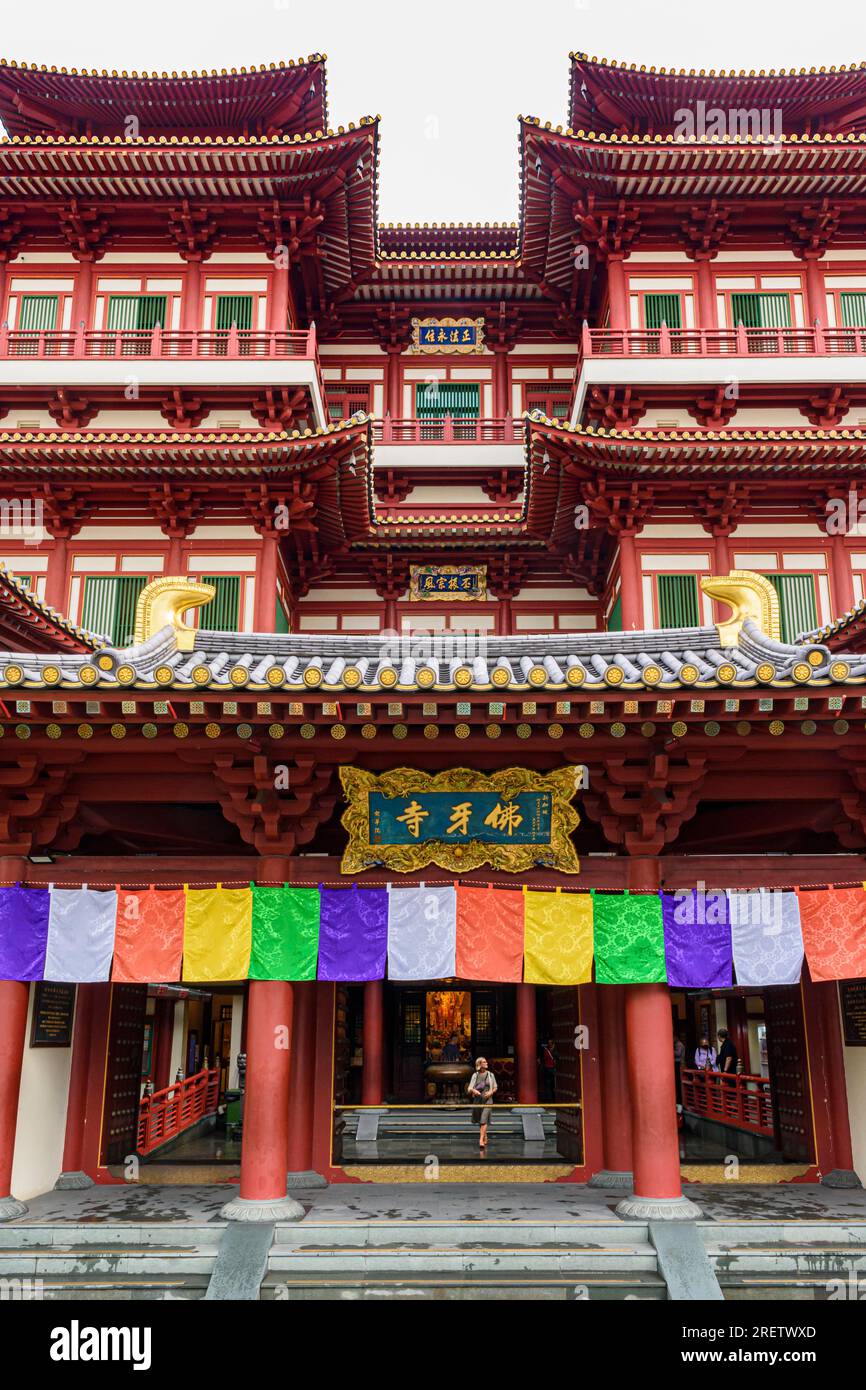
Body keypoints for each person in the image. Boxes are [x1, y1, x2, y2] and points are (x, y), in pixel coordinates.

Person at [467, 1056, 497, 1151]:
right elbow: (469, 1088)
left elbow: (495, 1087)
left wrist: (491, 1092)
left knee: (483, 1119)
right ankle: (484, 1135)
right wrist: (474, 1091)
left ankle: (480, 1140)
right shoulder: (475, 1075)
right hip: (478, 1100)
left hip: (488, 1100)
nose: (486, 1063)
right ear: (479, 1064)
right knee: (481, 1120)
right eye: (484, 1062)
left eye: (486, 1061)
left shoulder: (490, 1075)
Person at [540, 1037, 557, 1102]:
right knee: (549, 1084)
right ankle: (550, 1098)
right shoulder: (547, 1050)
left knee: (550, 1084)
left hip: (549, 1068)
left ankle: (551, 1098)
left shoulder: (547, 1050)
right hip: (549, 1068)